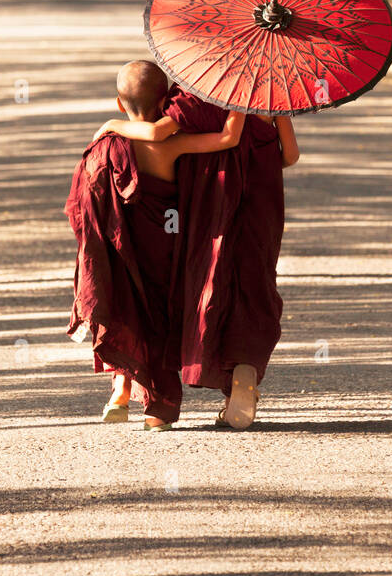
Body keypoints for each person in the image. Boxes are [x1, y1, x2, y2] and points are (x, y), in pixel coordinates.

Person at [101, 81, 299, 430]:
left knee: (210, 278)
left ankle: (161, 380)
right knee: (254, 280)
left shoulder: (195, 92)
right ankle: (244, 370)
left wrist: (112, 125)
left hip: (209, 205)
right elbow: (290, 155)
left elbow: (160, 133)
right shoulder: (269, 92)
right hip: (262, 205)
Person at [65, 60, 244, 430]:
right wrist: (239, 95)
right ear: (166, 102)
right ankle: (157, 411)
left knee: (123, 307)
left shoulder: (105, 146)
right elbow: (229, 139)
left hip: (117, 249)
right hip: (165, 245)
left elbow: (84, 211)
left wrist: (113, 126)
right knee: (157, 317)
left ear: (119, 103)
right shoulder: (172, 145)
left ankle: (121, 388)